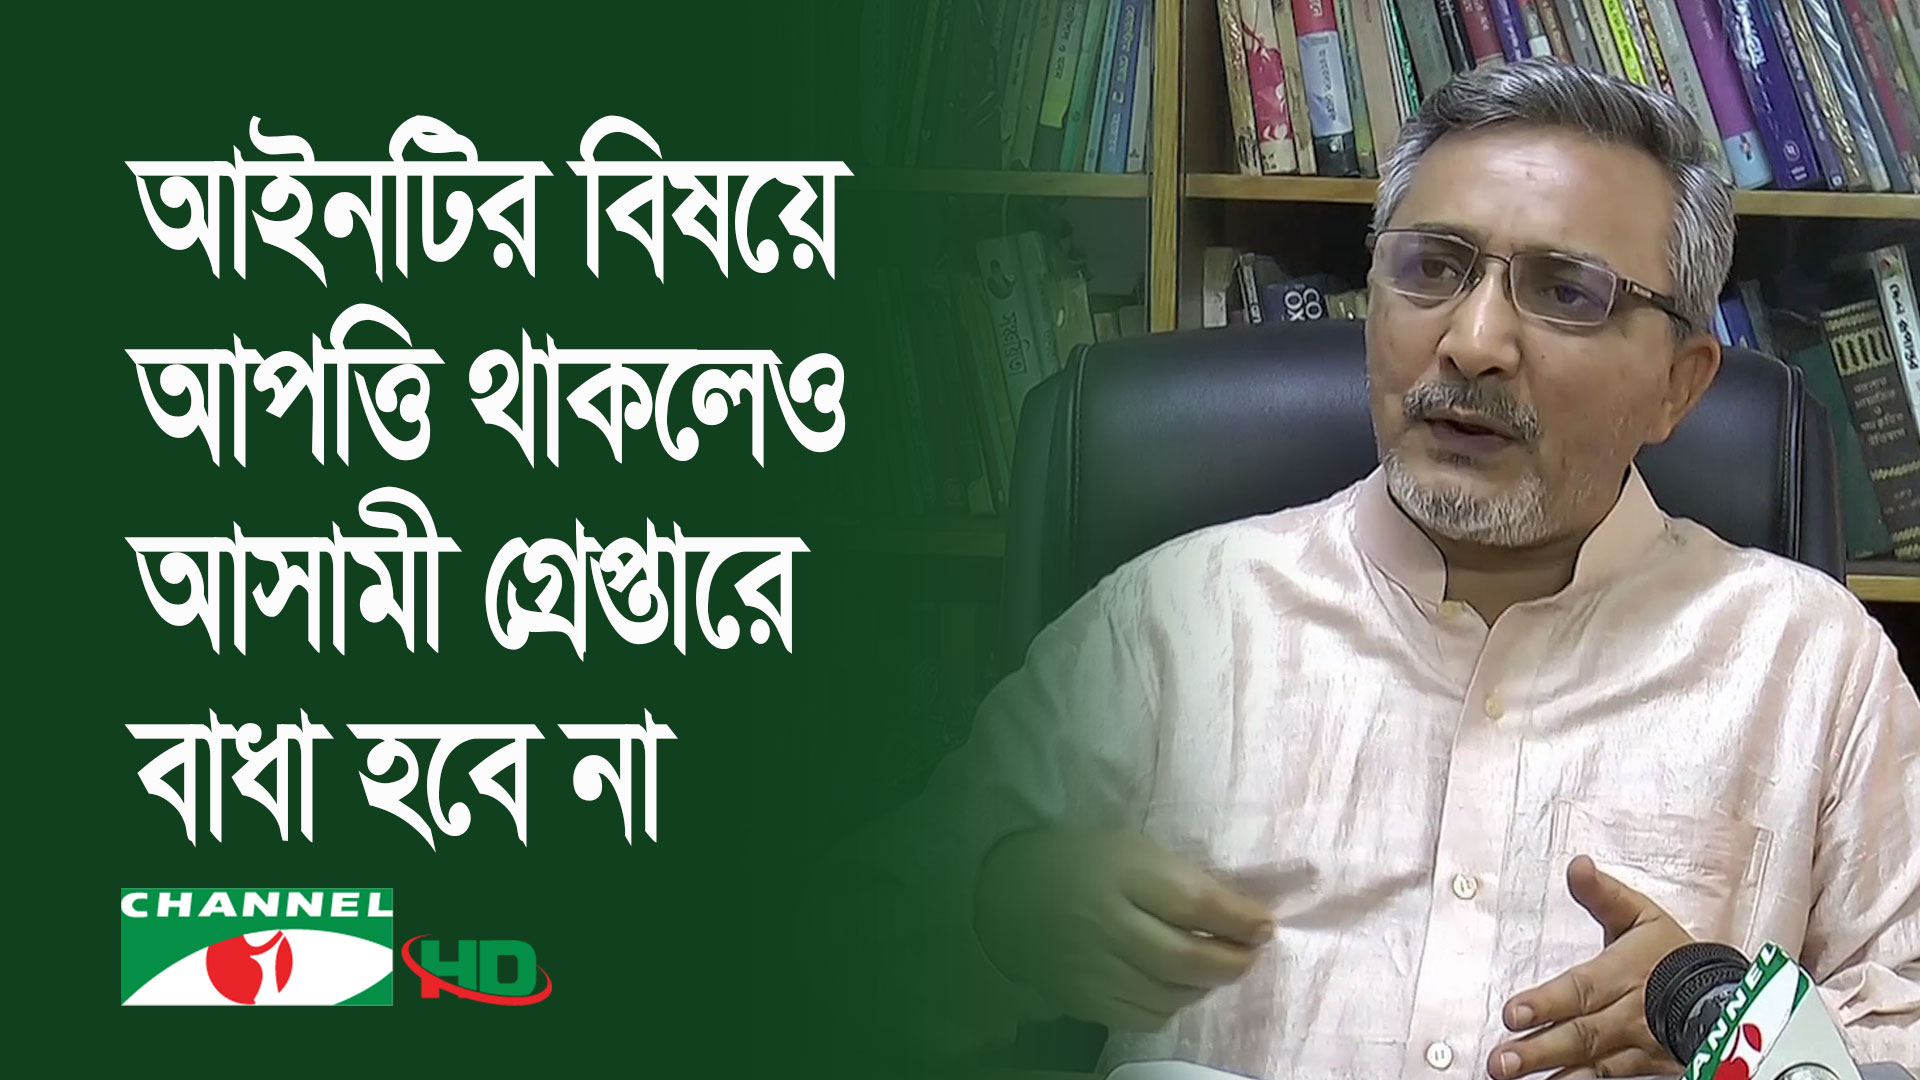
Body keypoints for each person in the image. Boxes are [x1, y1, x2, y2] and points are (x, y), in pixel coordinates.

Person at [837, 58, 1920, 1079]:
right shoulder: (1179, 619)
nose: (1474, 341)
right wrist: (999, 909)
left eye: (1566, 291)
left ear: (1679, 385)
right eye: (1434, 269)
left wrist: (1726, 1021)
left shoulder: (1811, 664)